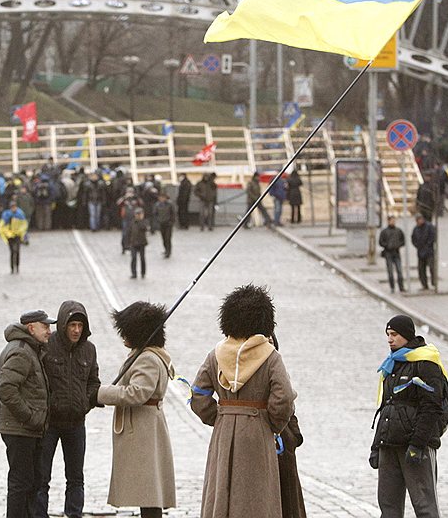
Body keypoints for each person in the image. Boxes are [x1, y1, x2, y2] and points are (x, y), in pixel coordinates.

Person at [190, 284, 298, 518]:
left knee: (222, 494)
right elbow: (284, 398)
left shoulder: (217, 353)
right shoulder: (270, 355)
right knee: (256, 498)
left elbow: (198, 393)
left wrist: (219, 417)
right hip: (257, 431)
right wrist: (271, 424)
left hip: (224, 429)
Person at [96, 301, 176, 518]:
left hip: (143, 429)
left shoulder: (148, 358)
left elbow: (136, 393)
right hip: (145, 427)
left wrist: (100, 393)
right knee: (147, 491)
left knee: (148, 491)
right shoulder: (146, 354)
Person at [370, 315, 448, 518]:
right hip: (390, 444)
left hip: (416, 447)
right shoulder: (391, 364)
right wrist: (376, 446)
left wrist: (417, 444)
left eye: (394, 334)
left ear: (406, 335)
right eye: (388, 334)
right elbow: (386, 406)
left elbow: (432, 408)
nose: (389, 339)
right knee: (389, 509)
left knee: (425, 508)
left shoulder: (425, 363)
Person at [35, 301, 101, 518]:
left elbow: (93, 382)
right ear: (63, 325)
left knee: (75, 478)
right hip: (50, 424)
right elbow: (37, 381)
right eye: (72, 325)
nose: (76, 330)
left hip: (76, 424)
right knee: (41, 478)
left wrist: (85, 403)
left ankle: (74, 514)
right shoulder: (47, 346)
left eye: (80, 326)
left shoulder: (89, 350)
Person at [0, 309, 55, 518]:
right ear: (31, 328)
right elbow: (6, 388)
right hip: (21, 430)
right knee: (21, 484)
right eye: (45, 326)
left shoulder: (31, 349)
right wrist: (29, 417)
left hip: (28, 430)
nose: (50, 331)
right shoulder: (21, 351)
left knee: (30, 482)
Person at [0, 200, 29, 275]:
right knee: (12, 252)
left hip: (17, 236)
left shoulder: (20, 215)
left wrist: (20, 232)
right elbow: (1, 227)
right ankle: (12, 268)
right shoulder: (6, 216)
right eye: (12, 207)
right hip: (10, 237)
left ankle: (17, 267)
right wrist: (8, 234)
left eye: (14, 207)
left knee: (17, 251)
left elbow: (24, 225)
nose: (13, 208)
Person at [379, 216, 406, 293]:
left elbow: (403, 240)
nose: (393, 222)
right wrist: (387, 245)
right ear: (388, 221)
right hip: (388, 253)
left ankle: (401, 287)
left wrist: (398, 245)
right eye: (391, 221)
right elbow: (381, 242)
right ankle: (392, 287)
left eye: (394, 221)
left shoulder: (398, 231)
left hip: (396, 253)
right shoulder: (384, 232)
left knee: (399, 271)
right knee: (390, 271)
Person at [411, 214, 436, 291]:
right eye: (418, 220)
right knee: (421, 269)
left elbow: (433, 236)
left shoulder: (429, 226)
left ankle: (434, 282)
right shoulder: (416, 229)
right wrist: (417, 246)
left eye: (420, 219)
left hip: (429, 251)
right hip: (420, 251)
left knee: (432, 267)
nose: (419, 221)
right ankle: (424, 284)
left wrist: (428, 245)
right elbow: (413, 239)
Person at [117, 187, 143, 255]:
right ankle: (124, 247)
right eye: (128, 192)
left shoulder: (136, 199)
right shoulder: (124, 199)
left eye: (131, 192)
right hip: (126, 218)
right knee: (125, 233)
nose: (130, 193)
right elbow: (118, 203)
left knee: (134, 233)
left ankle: (133, 247)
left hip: (134, 218)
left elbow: (141, 204)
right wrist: (124, 197)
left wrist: (136, 197)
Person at [152, 192, 177, 258]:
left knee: (168, 238)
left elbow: (173, 213)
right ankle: (166, 250)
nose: (161, 199)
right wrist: (157, 221)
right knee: (163, 238)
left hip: (168, 224)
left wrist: (172, 221)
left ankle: (168, 251)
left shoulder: (170, 204)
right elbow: (155, 213)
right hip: (161, 223)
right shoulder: (157, 205)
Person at [127, 208, 149, 279]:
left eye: (140, 214)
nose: (138, 216)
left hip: (142, 243)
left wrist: (140, 221)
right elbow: (128, 232)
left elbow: (144, 228)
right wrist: (128, 242)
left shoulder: (144, 222)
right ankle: (134, 273)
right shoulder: (132, 222)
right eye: (137, 214)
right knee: (133, 258)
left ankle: (143, 272)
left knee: (142, 258)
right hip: (133, 243)